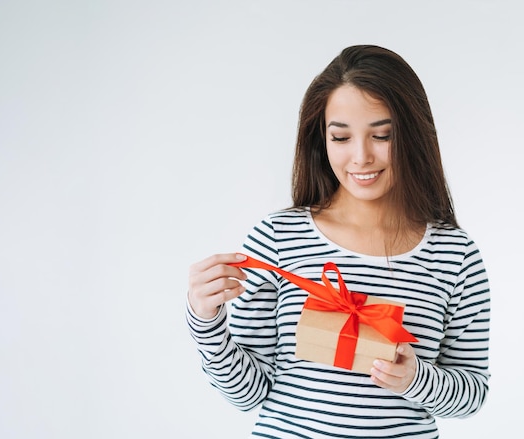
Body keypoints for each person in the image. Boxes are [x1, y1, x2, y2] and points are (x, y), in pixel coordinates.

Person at [186, 45, 491, 438]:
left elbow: (473, 393)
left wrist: (416, 378)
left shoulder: (456, 255)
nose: (361, 156)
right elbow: (250, 393)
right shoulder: (279, 239)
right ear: (321, 140)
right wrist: (205, 321)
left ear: (414, 134)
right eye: (341, 137)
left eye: (382, 135)